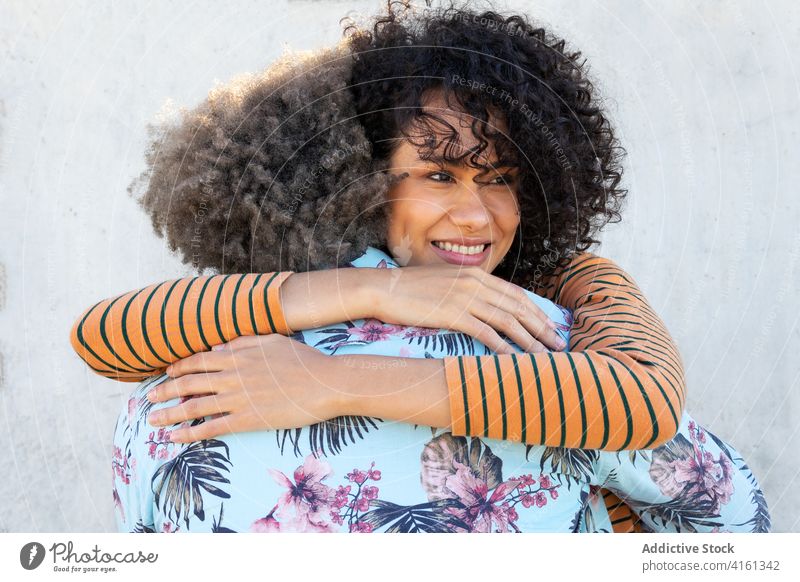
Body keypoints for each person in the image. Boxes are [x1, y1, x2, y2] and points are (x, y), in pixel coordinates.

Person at [71, 3, 769, 532]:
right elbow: (735, 523)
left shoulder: (198, 349)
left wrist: (333, 382)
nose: (477, 216)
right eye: (439, 176)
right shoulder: (541, 342)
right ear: (359, 178)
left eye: (501, 179)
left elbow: (104, 337)